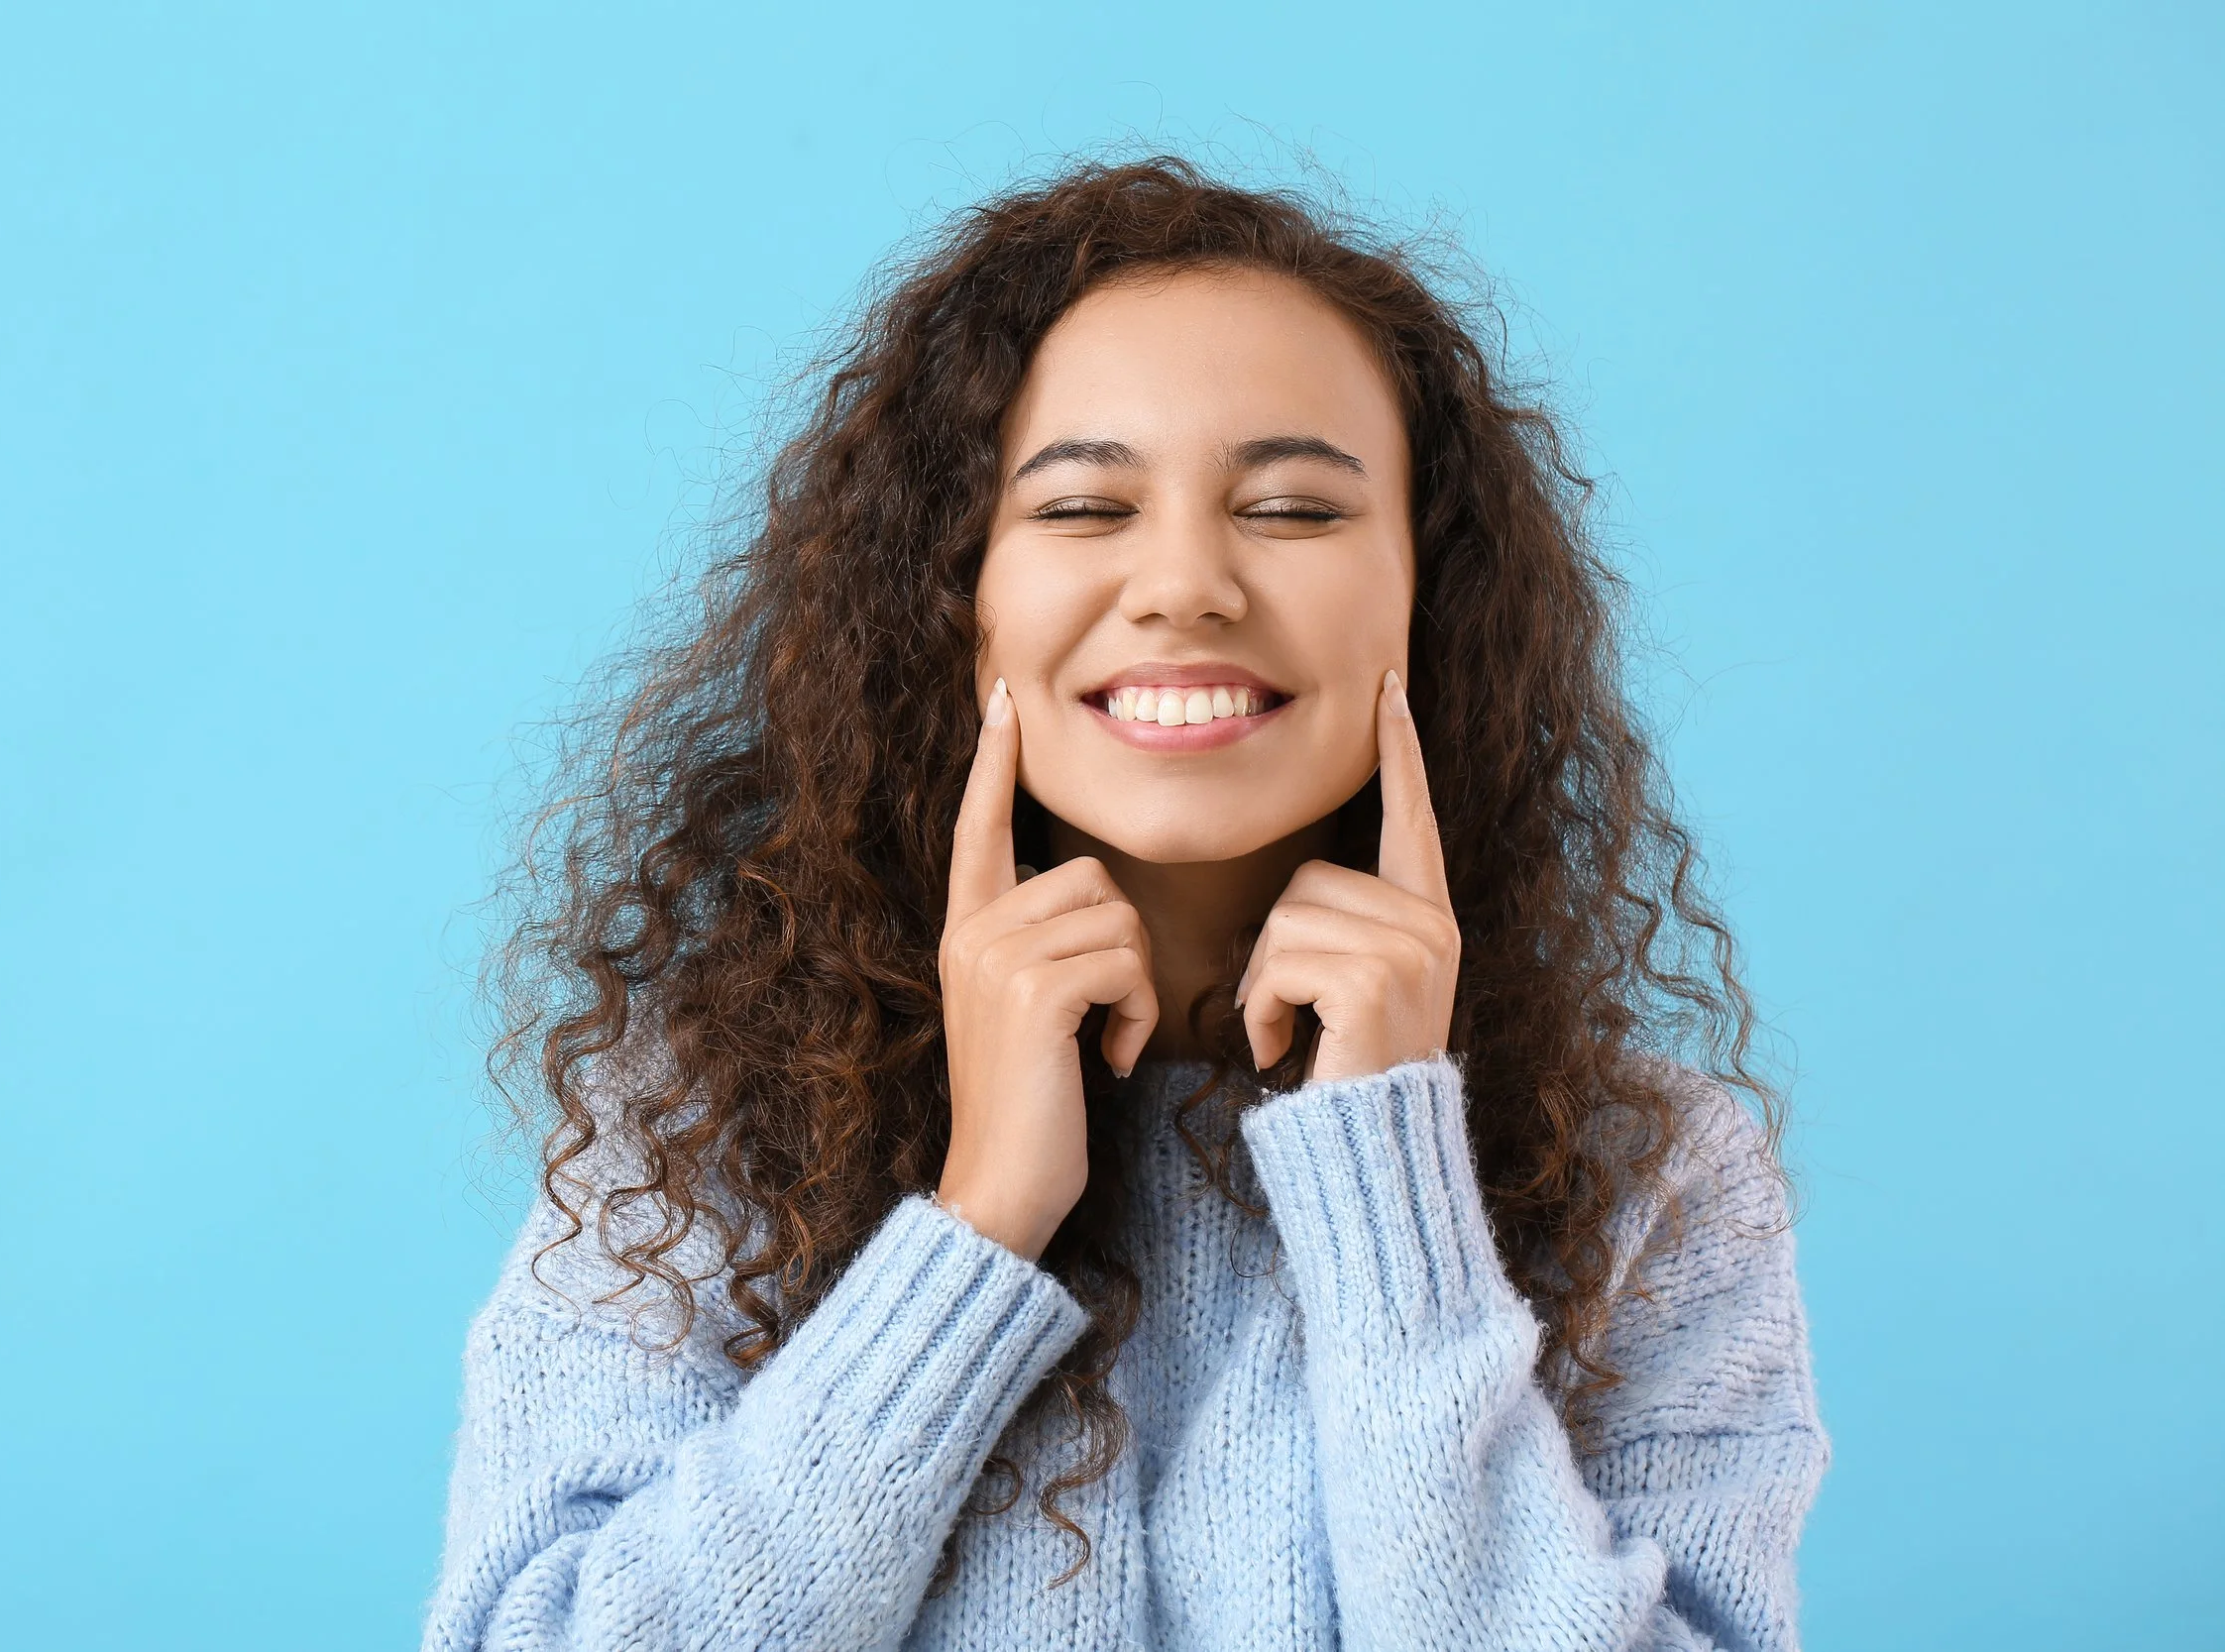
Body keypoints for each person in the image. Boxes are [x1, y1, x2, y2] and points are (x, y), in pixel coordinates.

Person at [423, 157, 1830, 1651]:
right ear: (951, 596)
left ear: (1434, 591)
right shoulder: (697, 1131)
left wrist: (1392, 1185)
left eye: (1291, 506)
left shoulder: (1654, 1178)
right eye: (1086, 504)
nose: (1186, 584)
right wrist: (975, 1226)